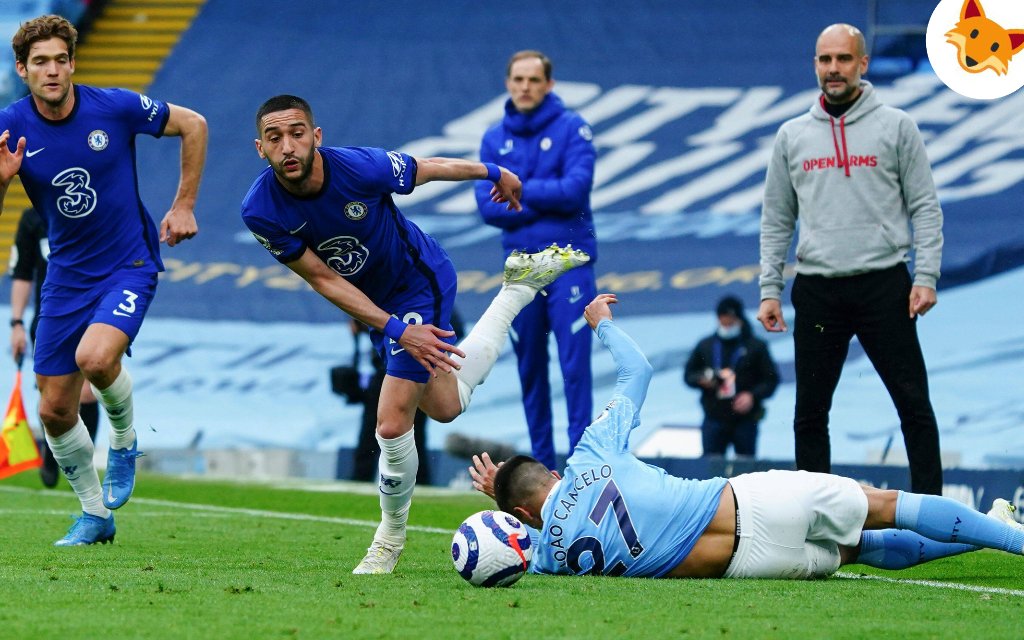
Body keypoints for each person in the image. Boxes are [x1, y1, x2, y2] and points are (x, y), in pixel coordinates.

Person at [240, 94, 590, 575]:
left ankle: (389, 540)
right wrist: (389, 327)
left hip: (418, 282)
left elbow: (429, 167)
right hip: (381, 310)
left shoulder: (359, 168)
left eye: (297, 133)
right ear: (261, 148)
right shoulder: (260, 209)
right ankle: (517, 290)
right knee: (446, 407)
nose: (288, 146)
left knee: (390, 422)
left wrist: (492, 171)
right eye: (275, 138)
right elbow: (324, 279)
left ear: (316, 137)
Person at [468, 294, 1024, 579]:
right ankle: (1012, 539)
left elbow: (516, 547)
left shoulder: (554, 557)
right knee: (884, 507)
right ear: (555, 473)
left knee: (860, 553)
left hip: (745, 565)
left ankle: (990, 529)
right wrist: (601, 325)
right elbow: (638, 372)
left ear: (525, 514)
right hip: (750, 502)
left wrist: (501, 503)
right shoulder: (592, 451)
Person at [0, 15, 207, 545]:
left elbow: (195, 124)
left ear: (73, 63)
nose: (51, 70)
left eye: (59, 59)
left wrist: (183, 205)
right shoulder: (9, 126)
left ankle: (124, 438)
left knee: (95, 359)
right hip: (65, 277)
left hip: (127, 264)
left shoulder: (112, 107)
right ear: (22, 70)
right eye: (39, 62)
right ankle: (96, 515)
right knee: (53, 407)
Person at [757, 23, 945, 495]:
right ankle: (815, 518)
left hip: (885, 284)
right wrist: (768, 290)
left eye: (843, 59)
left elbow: (924, 205)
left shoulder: (896, 126)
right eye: (825, 60)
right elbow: (776, 218)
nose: (833, 69)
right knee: (810, 414)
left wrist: (925, 275)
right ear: (815, 65)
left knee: (913, 406)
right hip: (819, 289)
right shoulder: (792, 135)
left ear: (863, 64)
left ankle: (937, 518)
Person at [474, 50, 598, 471]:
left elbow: (575, 191)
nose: (525, 87)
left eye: (533, 79)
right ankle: (541, 471)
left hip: (569, 262)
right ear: (508, 83)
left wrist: (518, 191)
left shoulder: (572, 128)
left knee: (574, 367)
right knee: (530, 369)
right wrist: (547, 195)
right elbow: (488, 209)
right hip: (521, 267)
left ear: (549, 84)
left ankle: (581, 469)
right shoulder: (494, 139)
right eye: (518, 79)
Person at [8, 206, 101, 488]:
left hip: (92, 313)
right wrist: (16, 323)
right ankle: (53, 456)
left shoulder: (94, 209)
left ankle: (83, 464)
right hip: (50, 319)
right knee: (53, 396)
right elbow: (23, 273)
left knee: (86, 393)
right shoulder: (34, 217)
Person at [684, 295, 779, 458]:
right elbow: (688, 375)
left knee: (746, 469)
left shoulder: (756, 346)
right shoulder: (706, 345)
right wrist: (702, 379)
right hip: (714, 416)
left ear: (739, 319)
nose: (726, 325)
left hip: (745, 419)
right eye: (723, 320)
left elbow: (771, 380)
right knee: (710, 467)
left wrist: (752, 396)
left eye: (730, 320)